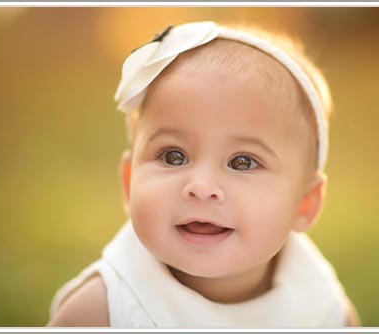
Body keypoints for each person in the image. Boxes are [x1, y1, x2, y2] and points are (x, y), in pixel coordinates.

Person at [47, 21, 361, 328]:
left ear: (305, 205)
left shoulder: (323, 310)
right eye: (173, 156)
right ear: (130, 183)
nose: (201, 187)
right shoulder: (103, 313)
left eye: (243, 162)